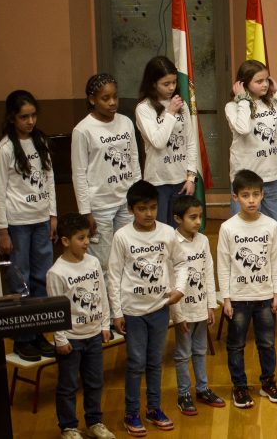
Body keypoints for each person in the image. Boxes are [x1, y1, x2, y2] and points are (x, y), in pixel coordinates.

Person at [108, 180, 184, 434]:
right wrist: (117, 312)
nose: (149, 213)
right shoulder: (122, 236)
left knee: (155, 361)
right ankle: (131, 413)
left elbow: (181, 263)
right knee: (136, 363)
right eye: (142, 209)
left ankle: (153, 408)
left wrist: (179, 289)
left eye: (153, 207)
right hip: (133, 311)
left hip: (159, 309)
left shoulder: (167, 232)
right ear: (131, 209)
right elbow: (114, 275)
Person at [0, 89, 58, 361]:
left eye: (33, 115)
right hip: (18, 224)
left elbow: (49, 178)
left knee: (41, 279)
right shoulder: (5, 149)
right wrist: (2, 230)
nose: (30, 121)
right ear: (12, 117)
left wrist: (53, 215)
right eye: (24, 117)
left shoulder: (40, 141)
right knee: (20, 282)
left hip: (41, 220)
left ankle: (38, 332)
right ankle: (22, 339)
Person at [217, 170, 277, 408]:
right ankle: (240, 387)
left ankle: (268, 383)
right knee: (236, 345)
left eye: (256, 194)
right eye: (245, 195)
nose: (251, 200)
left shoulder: (270, 225)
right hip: (238, 298)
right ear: (235, 197)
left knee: (266, 343)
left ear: (263, 195)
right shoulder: (228, 228)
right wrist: (226, 299)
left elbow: (276, 260)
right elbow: (223, 265)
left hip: (265, 296)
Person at [48, 213, 114, 439]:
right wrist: (60, 339)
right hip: (71, 339)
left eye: (87, 237)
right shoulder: (56, 272)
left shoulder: (93, 262)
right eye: (81, 238)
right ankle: (69, 427)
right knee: (68, 386)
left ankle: (94, 422)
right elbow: (56, 310)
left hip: (94, 334)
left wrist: (105, 324)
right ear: (66, 241)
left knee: (95, 381)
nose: (87, 242)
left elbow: (102, 293)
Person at [72, 73, 139, 272]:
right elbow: (79, 173)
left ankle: (126, 293)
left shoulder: (126, 122)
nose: (112, 102)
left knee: (129, 256)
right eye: (105, 98)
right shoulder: (83, 130)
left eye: (115, 97)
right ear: (92, 100)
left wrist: (138, 195)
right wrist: (86, 212)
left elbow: (134, 159)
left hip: (126, 201)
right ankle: (107, 295)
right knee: (104, 263)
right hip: (100, 206)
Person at [225, 59, 277, 220]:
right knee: (244, 225)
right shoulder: (232, 107)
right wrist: (243, 100)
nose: (265, 84)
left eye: (267, 80)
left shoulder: (271, 104)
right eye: (259, 81)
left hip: (271, 176)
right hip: (245, 178)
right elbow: (243, 128)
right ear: (244, 83)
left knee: (272, 224)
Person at [168, 195, 224, 415]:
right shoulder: (171, 242)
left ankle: (202, 389)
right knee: (183, 354)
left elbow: (208, 272)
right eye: (192, 217)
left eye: (200, 216)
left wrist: (210, 305)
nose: (198, 221)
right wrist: (177, 315)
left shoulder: (202, 240)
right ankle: (183, 394)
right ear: (177, 218)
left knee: (200, 350)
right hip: (183, 310)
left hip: (201, 307)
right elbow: (171, 281)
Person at [134, 56, 200, 225]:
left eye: (174, 82)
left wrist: (191, 177)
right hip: (158, 182)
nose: (172, 87)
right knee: (160, 229)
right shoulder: (144, 108)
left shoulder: (181, 105)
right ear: (153, 83)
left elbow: (190, 142)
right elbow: (158, 142)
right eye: (166, 84)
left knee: (179, 228)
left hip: (182, 180)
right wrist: (170, 113)